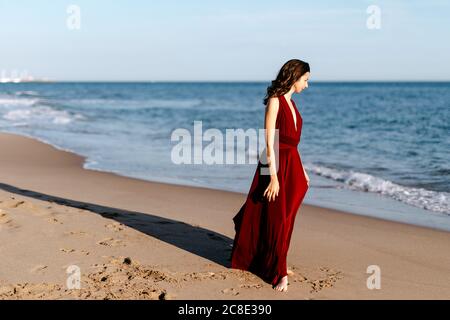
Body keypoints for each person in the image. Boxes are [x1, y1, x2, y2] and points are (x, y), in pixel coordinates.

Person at [230, 59, 311, 292]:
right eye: (305, 80)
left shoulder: (292, 104)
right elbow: (270, 142)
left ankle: (279, 260)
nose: (306, 85)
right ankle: (280, 272)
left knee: (288, 218)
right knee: (277, 218)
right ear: (294, 77)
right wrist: (273, 177)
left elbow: (293, 144)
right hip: (274, 163)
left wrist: (303, 169)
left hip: (292, 165)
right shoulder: (275, 102)